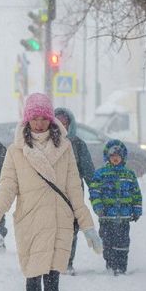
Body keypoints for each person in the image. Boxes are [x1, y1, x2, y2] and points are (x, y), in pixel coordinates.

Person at [0, 93, 103, 291]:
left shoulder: (66, 148)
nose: (38, 123)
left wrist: (87, 226)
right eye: (33, 118)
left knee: (53, 278)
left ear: (49, 118)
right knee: (33, 276)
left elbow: (73, 191)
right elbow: (7, 188)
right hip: (30, 222)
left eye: (43, 118)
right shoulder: (16, 152)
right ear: (27, 119)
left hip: (59, 222)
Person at [89, 139, 143, 276]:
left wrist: (136, 209)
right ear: (107, 157)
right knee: (107, 242)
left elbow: (136, 193)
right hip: (106, 217)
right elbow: (94, 192)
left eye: (118, 156)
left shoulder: (129, 175)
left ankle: (121, 266)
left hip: (124, 217)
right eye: (112, 156)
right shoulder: (101, 174)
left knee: (123, 243)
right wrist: (98, 206)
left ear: (123, 158)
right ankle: (111, 264)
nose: (115, 159)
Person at [54, 107, 95, 275]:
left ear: (70, 124)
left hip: (74, 193)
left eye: (65, 122)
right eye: (58, 122)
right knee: (53, 227)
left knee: (71, 227)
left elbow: (88, 171)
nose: (62, 125)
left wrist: (96, 191)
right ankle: (53, 262)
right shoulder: (46, 143)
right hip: (52, 192)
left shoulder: (77, 144)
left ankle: (67, 262)